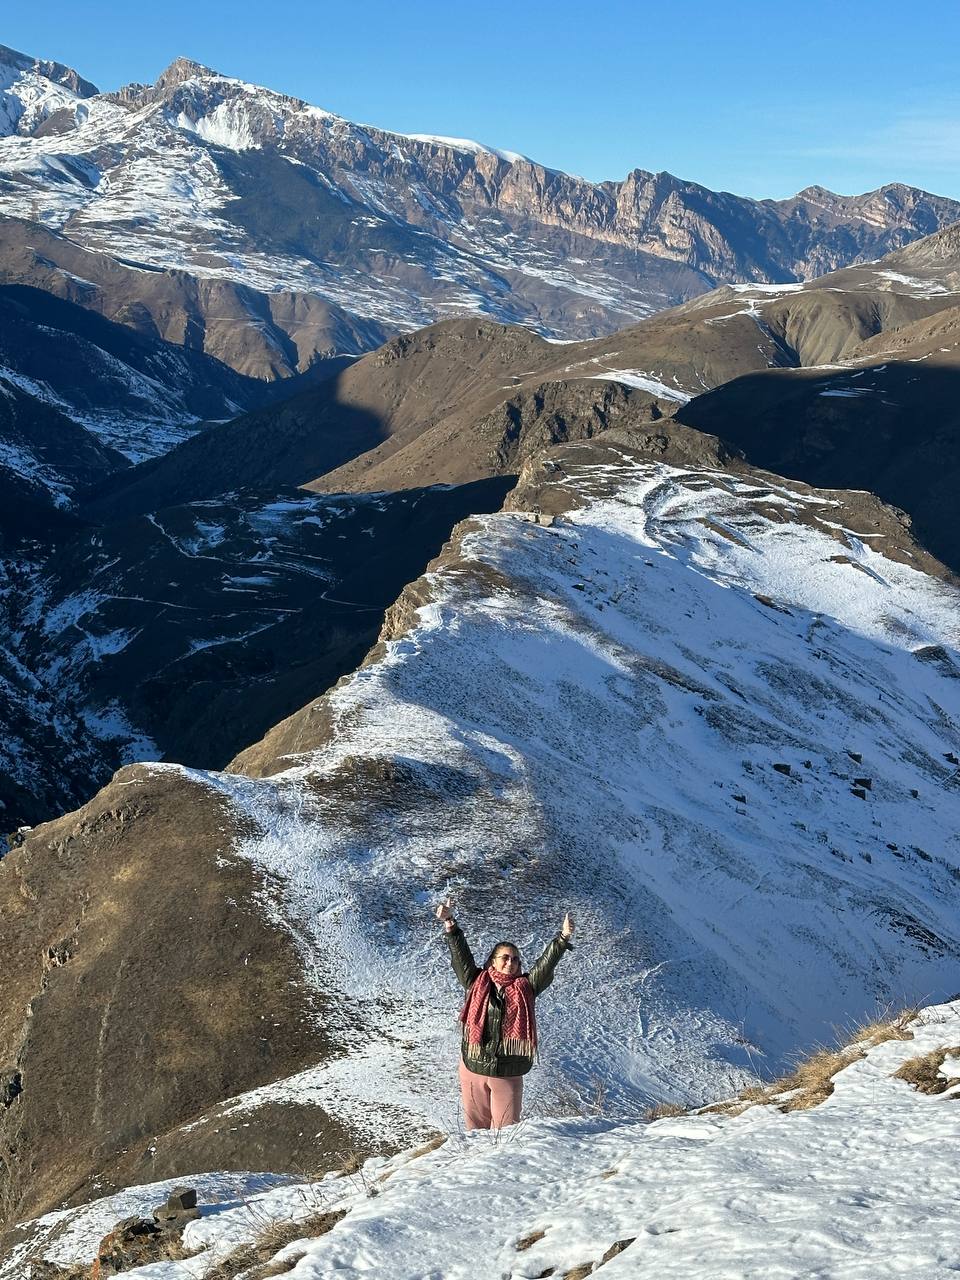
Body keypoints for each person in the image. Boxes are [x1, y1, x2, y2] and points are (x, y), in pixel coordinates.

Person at [436, 899, 575, 1131]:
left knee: (506, 1132)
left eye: (516, 959)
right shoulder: (476, 981)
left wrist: (563, 939)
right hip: (473, 1067)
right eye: (505, 958)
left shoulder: (526, 986)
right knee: (475, 1132)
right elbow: (461, 957)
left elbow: (545, 965)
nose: (511, 963)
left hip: (508, 1071)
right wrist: (450, 923)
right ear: (493, 960)